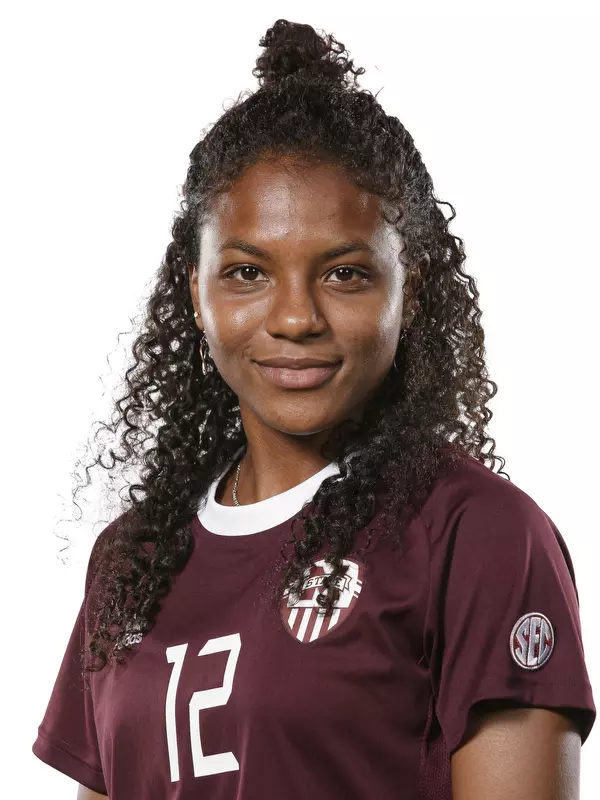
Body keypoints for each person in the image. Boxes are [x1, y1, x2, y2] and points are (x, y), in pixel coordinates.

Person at [32, 18, 595, 800]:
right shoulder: (131, 559)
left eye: (344, 275)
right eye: (247, 273)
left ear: (413, 288)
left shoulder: (478, 534)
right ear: (195, 293)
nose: (295, 318)